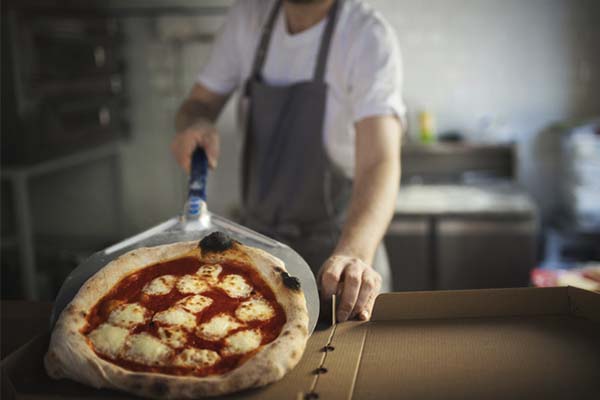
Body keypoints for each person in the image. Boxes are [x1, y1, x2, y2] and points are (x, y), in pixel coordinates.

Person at [171, 0, 404, 322]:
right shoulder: (248, 17)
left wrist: (354, 254)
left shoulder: (365, 35)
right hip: (261, 249)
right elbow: (197, 104)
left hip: (340, 248)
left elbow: (380, 160)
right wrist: (196, 122)